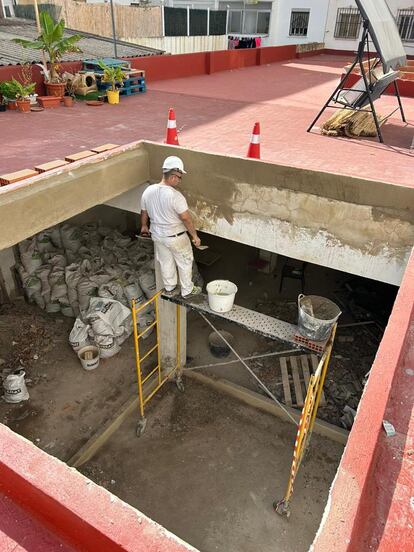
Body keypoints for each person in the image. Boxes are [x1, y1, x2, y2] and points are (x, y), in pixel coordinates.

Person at [140, 156, 202, 298]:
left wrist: (144, 226)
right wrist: (194, 236)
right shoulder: (175, 196)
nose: (179, 180)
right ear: (173, 176)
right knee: (185, 261)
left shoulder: (148, 191)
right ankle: (187, 290)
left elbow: (144, 212)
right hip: (176, 237)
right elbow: (185, 218)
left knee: (165, 261)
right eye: (179, 177)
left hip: (157, 235)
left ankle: (170, 287)